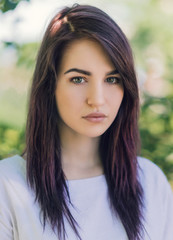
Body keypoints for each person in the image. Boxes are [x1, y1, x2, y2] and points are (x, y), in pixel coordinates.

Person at [0, 4, 173, 240]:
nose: (97, 100)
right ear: (50, 86)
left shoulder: (151, 183)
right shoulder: (8, 185)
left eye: (112, 79)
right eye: (78, 79)